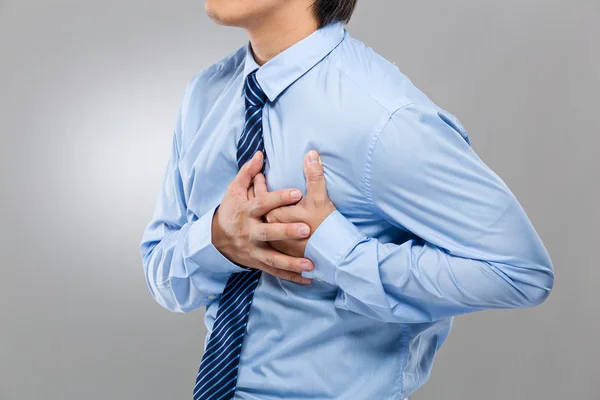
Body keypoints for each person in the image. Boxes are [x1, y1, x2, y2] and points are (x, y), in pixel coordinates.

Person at [140, 0, 555, 399]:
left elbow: (520, 272)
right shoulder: (203, 97)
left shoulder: (382, 118)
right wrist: (216, 240)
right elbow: (161, 271)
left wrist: (337, 252)